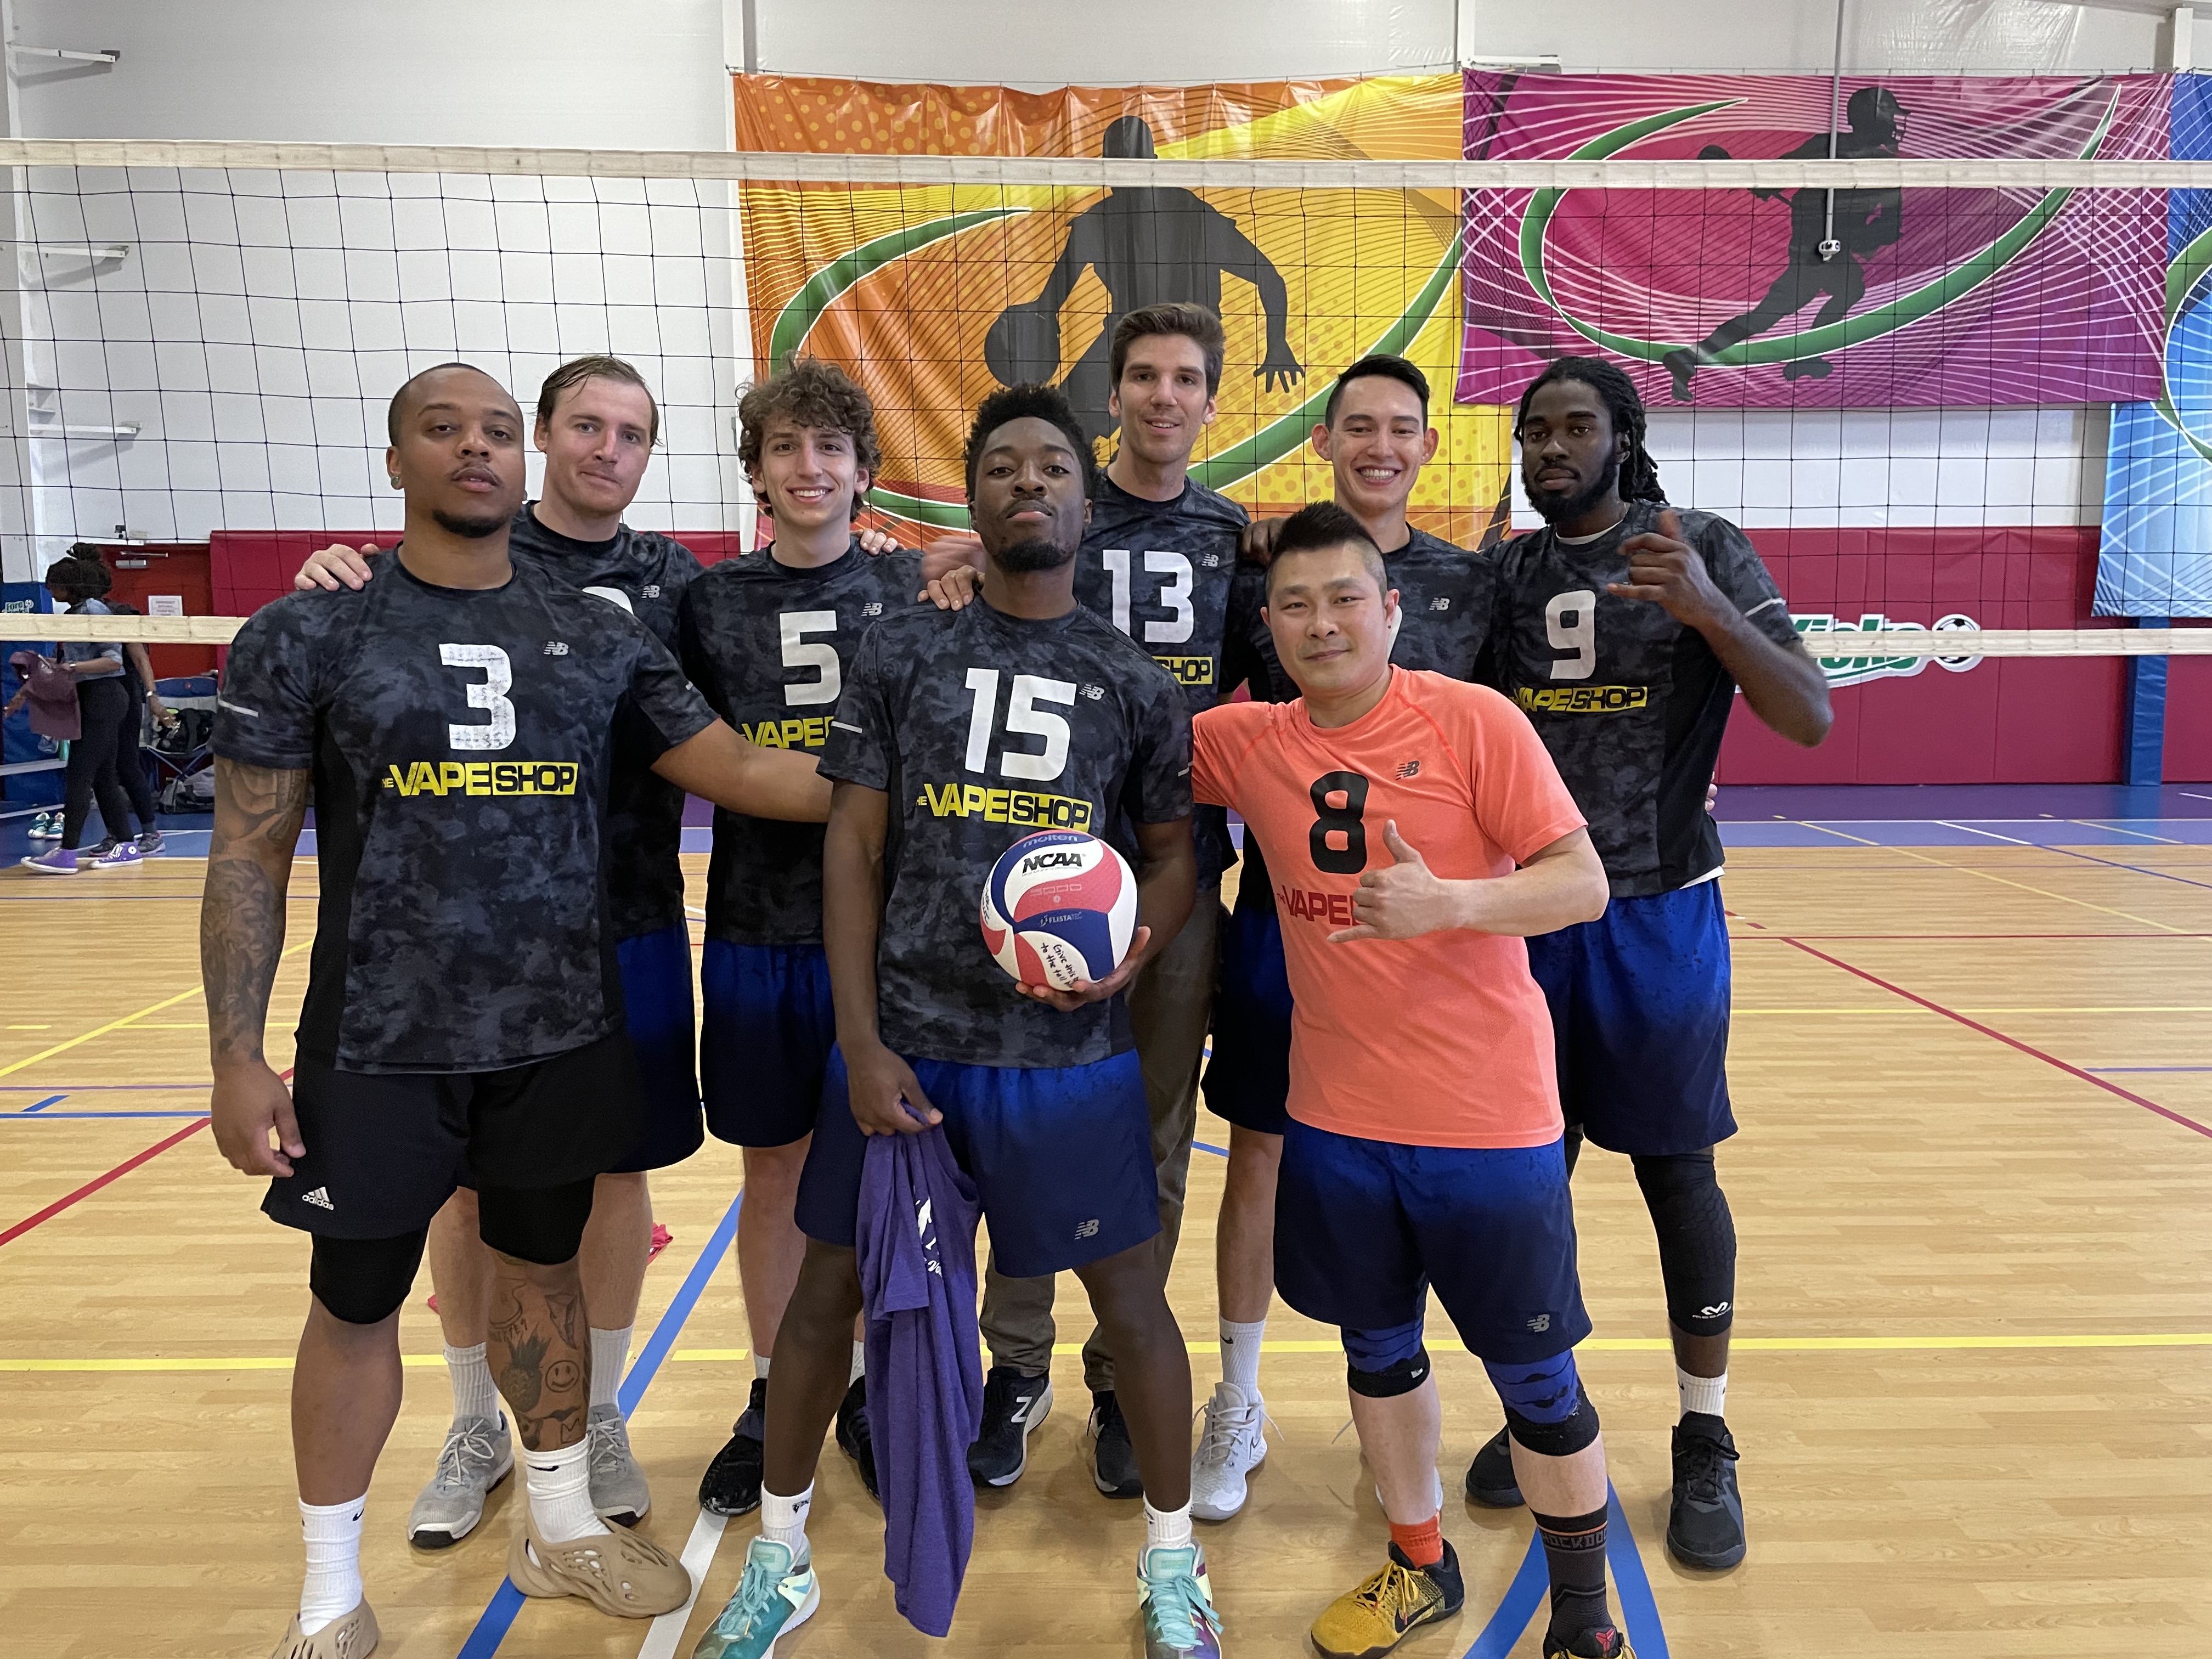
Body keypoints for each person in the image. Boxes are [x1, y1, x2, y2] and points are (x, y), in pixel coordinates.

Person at [206, 363, 838, 1658]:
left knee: (545, 1276)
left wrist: (922, 778)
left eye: (494, 430)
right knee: (355, 1297)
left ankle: (560, 1525)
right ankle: (329, 1601)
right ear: (398, 461)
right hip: (378, 1038)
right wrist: (234, 1054)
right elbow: (247, 857)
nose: (476, 449)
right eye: (446, 430)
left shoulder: (599, 632)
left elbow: (738, 766)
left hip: (557, 1028)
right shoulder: (312, 631)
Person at [690, 383, 1222, 1659]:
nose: (1029, 482)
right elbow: (853, 849)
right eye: (1003, 467)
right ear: (971, 502)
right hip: (913, 1054)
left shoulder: (1133, 681)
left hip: (1067, 1061)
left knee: (1133, 1305)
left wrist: (1133, 949)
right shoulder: (903, 652)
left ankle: (1174, 1561)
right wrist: (861, 1042)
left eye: (1053, 467)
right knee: (824, 1301)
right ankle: (780, 1559)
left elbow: (1173, 856)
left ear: (1086, 501)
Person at [1193, 501, 1629, 1659]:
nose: (1321, 623)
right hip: (1336, 1122)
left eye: (1345, 598)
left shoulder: (1473, 720)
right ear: (1270, 626)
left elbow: (1581, 883)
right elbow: (1111, 725)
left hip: (1487, 1122)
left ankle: (1584, 1614)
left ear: (1391, 611)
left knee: (1535, 1374)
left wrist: (1454, 903)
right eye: (1294, 605)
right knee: (1377, 1354)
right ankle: (1418, 1562)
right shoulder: (1247, 742)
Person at [291, 354, 710, 1541]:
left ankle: (594, 1417)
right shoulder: (454, 553)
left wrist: (912, 561)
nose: (606, 450)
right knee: (464, 1197)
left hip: (625, 918)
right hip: (449, 951)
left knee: (605, 1177)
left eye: (632, 433)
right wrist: (332, 569)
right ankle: (476, 1419)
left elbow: (748, 716)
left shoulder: (675, 581)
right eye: (585, 425)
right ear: (544, 439)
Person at [1470, 355, 1832, 1571]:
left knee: (1677, 1172)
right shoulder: (1507, 571)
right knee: (1531, 1173)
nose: (1550, 447)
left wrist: (1710, 612)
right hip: (1536, 914)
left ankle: (1704, 1432)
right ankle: (1543, 1402)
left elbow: (1810, 716)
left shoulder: (1702, 546)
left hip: (1661, 913)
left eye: (1575, 427)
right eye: (1534, 430)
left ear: (1623, 439)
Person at [936, 303, 1254, 1499]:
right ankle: (1015, 1366)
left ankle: (1121, 1372)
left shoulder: (1232, 538)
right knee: (1022, 1122)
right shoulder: (1051, 504)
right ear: (1111, 396)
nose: (1165, 396)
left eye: (1186, 379)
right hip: (1028, 881)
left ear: (1210, 401)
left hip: (1172, 877)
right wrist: (930, 559)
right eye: (1144, 376)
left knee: (1153, 1135)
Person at [1192, 353, 1498, 1520]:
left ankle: (1399, 1412)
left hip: (1437, 952)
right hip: (1289, 927)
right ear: (1322, 441)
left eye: (1400, 427)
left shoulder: (1472, 582)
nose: (1379, 444)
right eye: (1356, 425)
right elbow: (1206, 720)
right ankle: (1239, 1398)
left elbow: (1516, 746)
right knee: (1261, 1153)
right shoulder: (1258, 572)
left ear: (1427, 445)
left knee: (1412, 1168)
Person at [683, 356, 923, 1518]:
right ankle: (777, 1389)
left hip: (889, 937)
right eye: (786, 446)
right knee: (772, 1169)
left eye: (831, 447)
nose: (809, 465)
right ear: (757, 472)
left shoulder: (916, 587)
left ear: (864, 472)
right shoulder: (709, 602)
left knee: (881, 1168)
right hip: (756, 926)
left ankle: (869, 1385)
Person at [985, 115, 1302, 443]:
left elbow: (1269, 277)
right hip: (1135, 341)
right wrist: (1028, 328)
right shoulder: (1102, 221)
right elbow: (1270, 278)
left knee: (1116, 433)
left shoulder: (1188, 215)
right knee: (1062, 427)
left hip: (1180, 346)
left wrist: (1277, 345)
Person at [1662, 86, 1907, 401]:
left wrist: (1854, 236)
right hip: (1812, 252)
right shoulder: (1829, 147)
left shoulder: (1880, 163)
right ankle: (1802, 356)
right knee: (1835, 293)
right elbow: (1778, 175)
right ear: (1871, 119)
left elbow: (1889, 226)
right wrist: (1754, 181)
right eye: (1890, 116)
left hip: (1831, 251)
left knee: (1776, 313)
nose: (1894, 124)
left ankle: (1689, 358)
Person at [18, 555, 143, 875]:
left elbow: (113, 660)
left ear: (67, 585)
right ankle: (127, 845)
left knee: (79, 773)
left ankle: (67, 851)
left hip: (106, 696)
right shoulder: (73, 613)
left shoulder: (94, 610)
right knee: (103, 777)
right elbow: (72, 664)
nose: (50, 590)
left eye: (53, 585)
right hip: (89, 697)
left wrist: (69, 667)